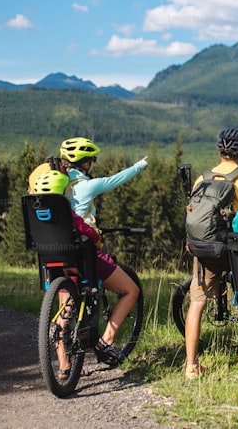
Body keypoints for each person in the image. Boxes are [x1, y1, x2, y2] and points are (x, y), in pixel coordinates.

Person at [56, 136, 148, 363]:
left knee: (64, 314)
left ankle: (64, 367)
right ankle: (106, 341)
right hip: (85, 253)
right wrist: (140, 165)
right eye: (91, 161)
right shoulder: (87, 185)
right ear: (85, 163)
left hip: (60, 253)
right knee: (131, 290)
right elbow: (114, 180)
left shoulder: (56, 186)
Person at [183, 127, 238, 379]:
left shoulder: (203, 179)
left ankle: (191, 365)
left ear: (220, 152)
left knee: (197, 302)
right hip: (234, 250)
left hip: (206, 250)